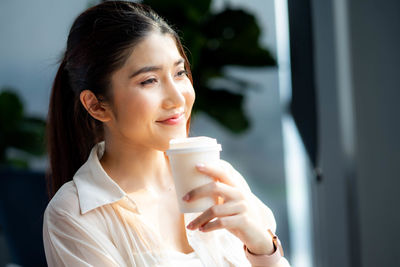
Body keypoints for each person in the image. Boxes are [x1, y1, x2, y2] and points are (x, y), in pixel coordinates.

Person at [43, 1, 291, 266]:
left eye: (180, 72)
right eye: (149, 80)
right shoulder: (75, 214)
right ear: (96, 105)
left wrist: (263, 247)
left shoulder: (220, 180)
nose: (177, 98)